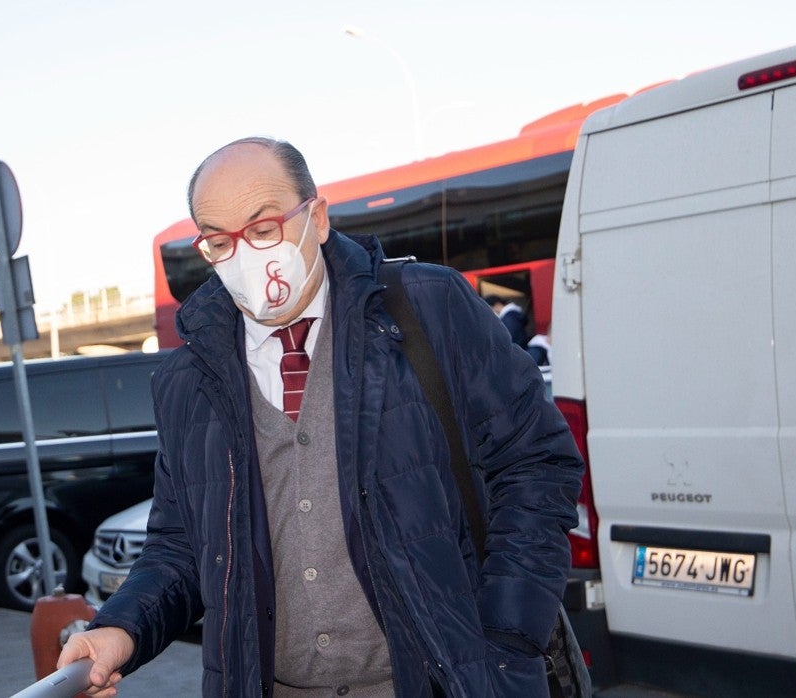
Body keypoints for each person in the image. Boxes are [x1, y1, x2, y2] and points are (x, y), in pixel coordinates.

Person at [58, 137, 584, 696]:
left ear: (318, 217)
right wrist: (121, 627)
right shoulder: (189, 382)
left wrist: (504, 637)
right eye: (220, 242)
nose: (248, 256)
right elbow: (182, 547)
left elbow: (537, 465)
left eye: (264, 230)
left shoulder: (432, 309)